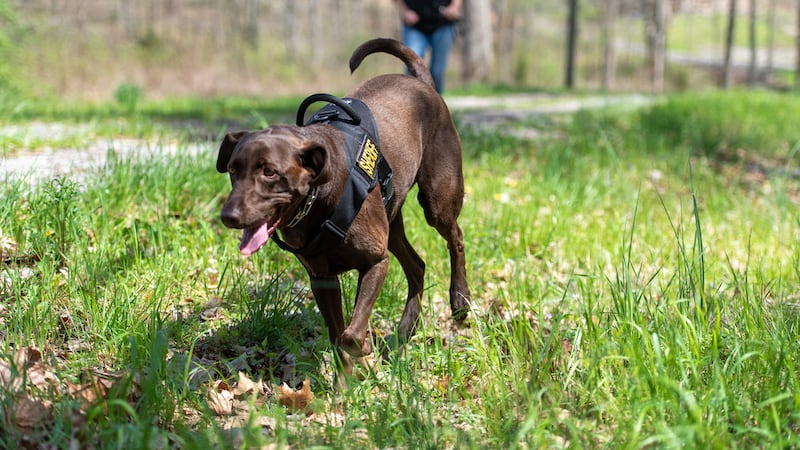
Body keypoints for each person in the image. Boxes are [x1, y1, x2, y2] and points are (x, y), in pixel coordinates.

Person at [395, 0, 462, 94]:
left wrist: (454, 7)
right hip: (414, 26)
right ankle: (411, 101)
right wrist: (405, 12)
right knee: (412, 65)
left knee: (437, 71)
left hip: (443, 23)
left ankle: (436, 104)